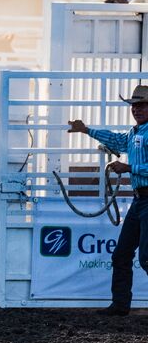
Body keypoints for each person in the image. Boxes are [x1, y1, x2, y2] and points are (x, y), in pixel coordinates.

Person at [68, 85, 148, 316]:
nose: (136, 109)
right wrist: (87, 130)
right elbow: (117, 140)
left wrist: (130, 167)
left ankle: (121, 304)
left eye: (141, 105)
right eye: (134, 105)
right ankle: (120, 305)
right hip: (140, 200)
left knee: (145, 258)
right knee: (122, 254)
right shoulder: (136, 133)